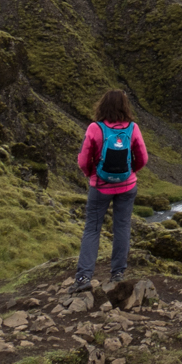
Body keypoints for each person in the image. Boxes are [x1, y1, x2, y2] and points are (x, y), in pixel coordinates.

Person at [73, 87, 148, 291]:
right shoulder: (133, 128)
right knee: (122, 227)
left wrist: (91, 175)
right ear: (125, 107)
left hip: (100, 186)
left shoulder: (94, 128)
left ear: (102, 106)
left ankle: (83, 278)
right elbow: (143, 157)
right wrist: (131, 172)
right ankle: (117, 273)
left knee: (92, 229)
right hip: (127, 186)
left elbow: (83, 159)